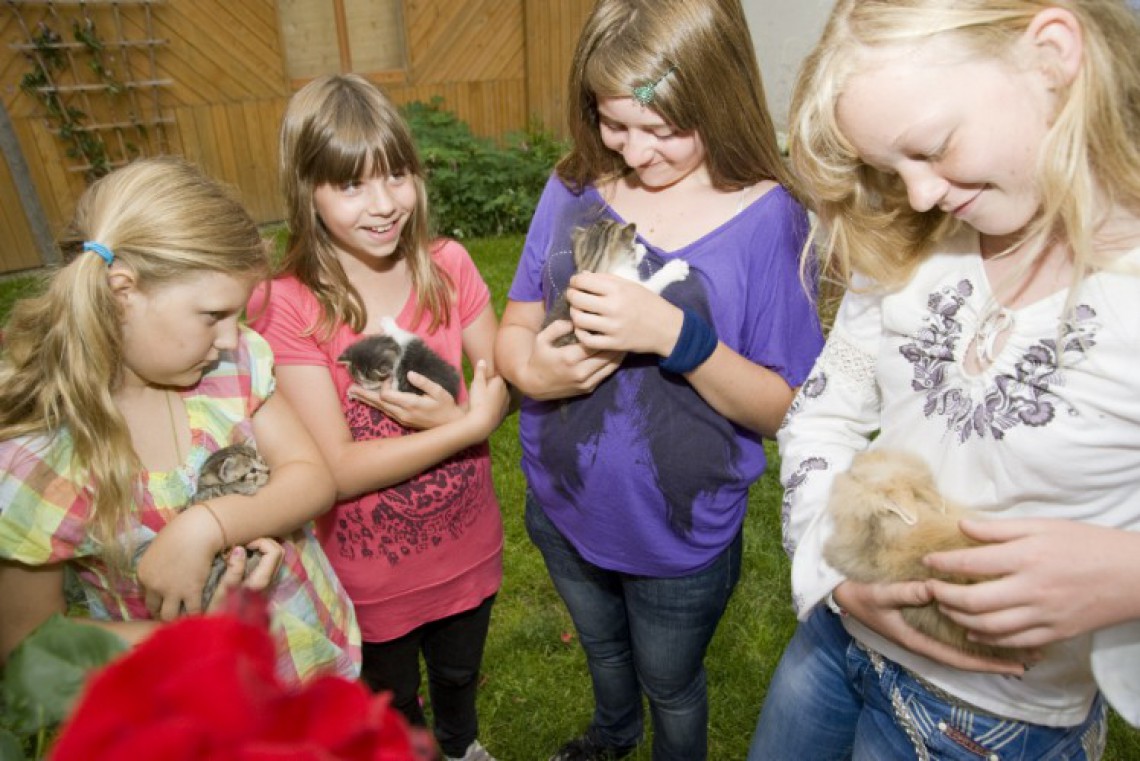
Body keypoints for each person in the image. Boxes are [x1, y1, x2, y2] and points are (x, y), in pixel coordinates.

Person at [748, 1, 1140, 758]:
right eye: (890, 169)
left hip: (995, 723)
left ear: (1054, 55)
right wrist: (833, 576)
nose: (920, 194)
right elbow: (819, 418)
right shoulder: (916, 241)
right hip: (835, 649)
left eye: (932, 147)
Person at [493, 0, 824, 758]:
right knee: (605, 652)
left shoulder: (770, 220)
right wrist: (530, 368)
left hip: (679, 536)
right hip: (564, 502)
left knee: (671, 682)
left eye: (664, 129)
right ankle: (613, 731)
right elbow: (514, 324)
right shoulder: (574, 183)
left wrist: (679, 336)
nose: (636, 152)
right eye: (615, 124)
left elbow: (784, 407)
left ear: (720, 96)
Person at [0, 156, 360, 686]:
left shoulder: (232, 369)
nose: (232, 339)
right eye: (213, 315)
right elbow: (30, 646)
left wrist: (207, 526)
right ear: (123, 292)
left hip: (301, 655)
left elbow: (312, 479)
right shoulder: (41, 461)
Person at [247, 74, 511, 761]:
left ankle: (462, 744)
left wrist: (476, 406)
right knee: (391, 700)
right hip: (369, 581)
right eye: (352, 185)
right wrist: (463, 425)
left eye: (398, 174)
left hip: (468, 548)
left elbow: (497, 377)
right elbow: (334, 469)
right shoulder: (290, 306)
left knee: (458, 675)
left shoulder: (448, 265)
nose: (386, 203)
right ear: (308, 192)